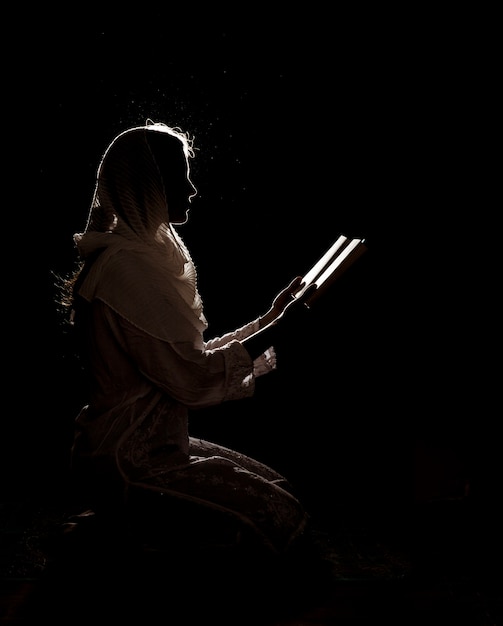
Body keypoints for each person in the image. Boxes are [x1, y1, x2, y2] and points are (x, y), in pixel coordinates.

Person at [58, 121, 316, 563]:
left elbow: (184, 361)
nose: (192, 189)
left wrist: (273, 317)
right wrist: (281, 326)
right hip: (129, 459)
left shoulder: (140, 257)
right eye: (180, 176)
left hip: (156, 445)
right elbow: (193, 381)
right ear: (149, 184)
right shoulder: (126, 269)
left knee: (280, 493)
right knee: (278, 521)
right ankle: (113, 537)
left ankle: (119, 532)